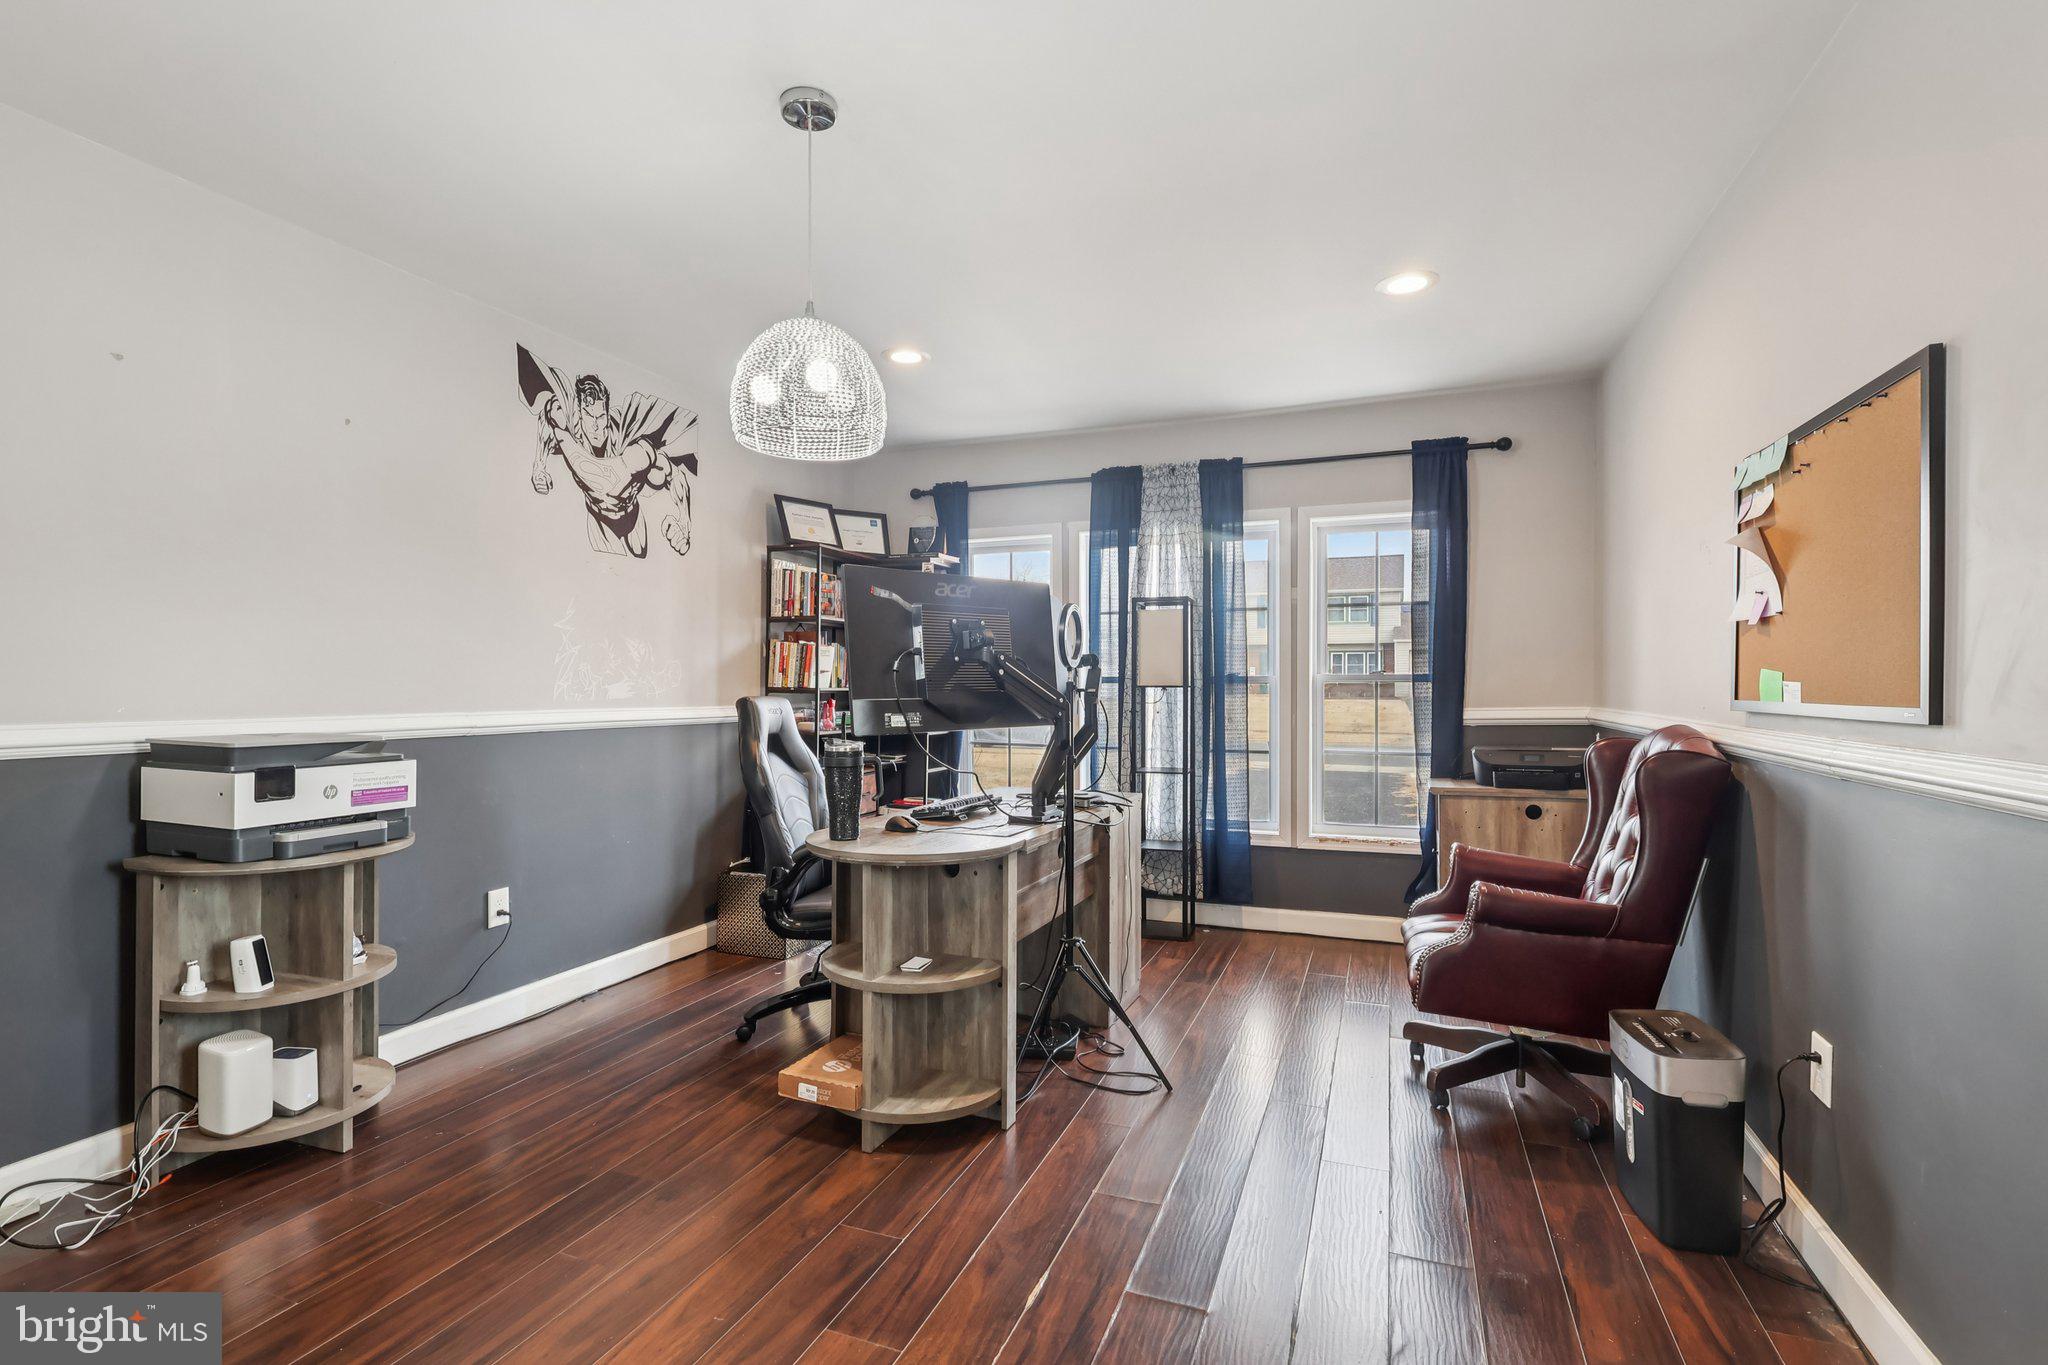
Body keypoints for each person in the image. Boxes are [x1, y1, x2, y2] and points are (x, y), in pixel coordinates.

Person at [517, 344, 698, 558]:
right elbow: (547, 418)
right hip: (597, 519)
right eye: (589, 416)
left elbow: (673, 474)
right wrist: (539, 465)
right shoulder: (570, 427)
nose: (596, 426)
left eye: (601, 416)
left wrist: (684, 523)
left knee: (639, 560)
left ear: (607, 411)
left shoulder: (629, 440)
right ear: (580, 414)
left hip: (631, 515)